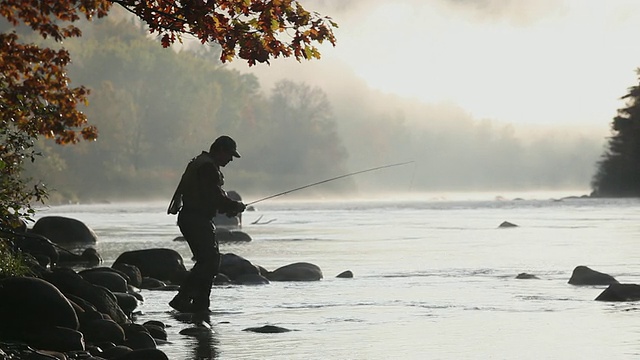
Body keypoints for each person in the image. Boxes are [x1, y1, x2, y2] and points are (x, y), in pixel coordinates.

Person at [167, 135, 246, 313]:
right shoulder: (207, 168)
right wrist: (234, 206)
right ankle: (184, 299)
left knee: (207, 261)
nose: (231, 159)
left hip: (193, 218)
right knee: (210, 261)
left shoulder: (202, 163)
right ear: (220, 151)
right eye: (230, 155)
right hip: (196, 220)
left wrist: (228, 208)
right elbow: (214, 195)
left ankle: (200, 305)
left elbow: (208, 196)